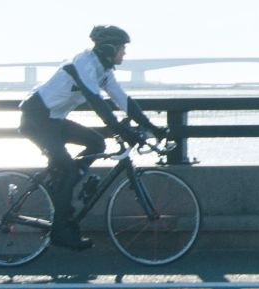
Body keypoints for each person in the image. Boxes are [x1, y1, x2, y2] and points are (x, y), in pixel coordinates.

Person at [19, 25, 167, 250]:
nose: (124, 53)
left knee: (96, 142)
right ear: (109, 48)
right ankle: (60, 231)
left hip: (54, 120)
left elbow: (123, 100)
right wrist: (121, 130)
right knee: (67, 168)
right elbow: (96, 100)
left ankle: (63, 185)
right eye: (122, 48)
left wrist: (151, 127)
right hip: (37, 117)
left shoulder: (104, 70)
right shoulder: (84, 63)